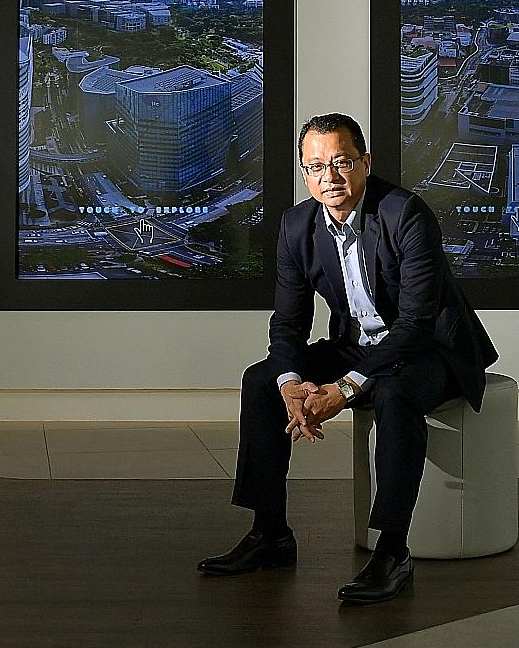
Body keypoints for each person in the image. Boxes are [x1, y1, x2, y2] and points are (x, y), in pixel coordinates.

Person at [197, 113, 498, 604]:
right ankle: (270, 532)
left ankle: (392, 551)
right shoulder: (298, 225)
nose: (329, 178)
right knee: (260, 380)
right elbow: (288, 323)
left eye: (341, 163)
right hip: (358, 343)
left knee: (396, 393)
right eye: (315, 167)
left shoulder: (406, 214)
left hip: (430, 350)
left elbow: (417, 323)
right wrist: (291, 383)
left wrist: (345, 388)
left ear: (365, 163)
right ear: (303, 171)